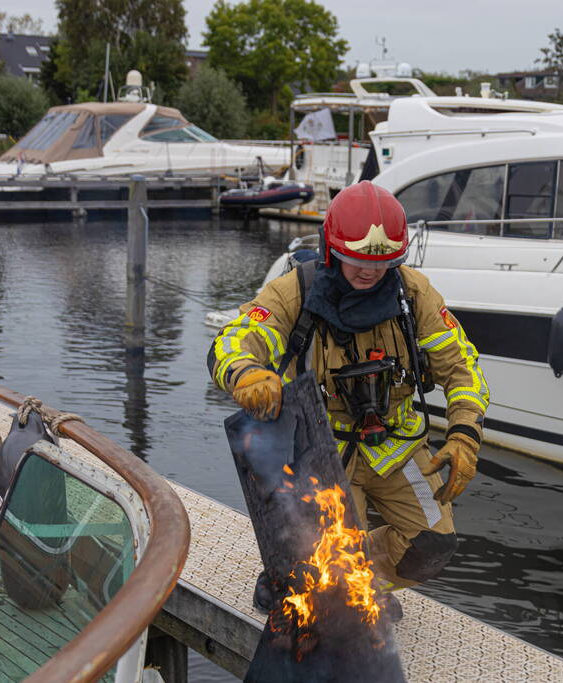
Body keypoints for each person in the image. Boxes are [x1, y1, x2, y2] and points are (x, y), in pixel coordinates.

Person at [207, 181, 489, 618]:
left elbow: (463, 366)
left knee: (432, 546)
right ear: (331, 249)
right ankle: (298, 575)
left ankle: (359, 582)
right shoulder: (293, 293)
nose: (369, 272)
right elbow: (233, 341)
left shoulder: (414, 296)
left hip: (396, 443)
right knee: (324, 578)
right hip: (324, 451)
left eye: (382, 264)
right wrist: (247, 373)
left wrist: (465, 434)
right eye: (357, 260)